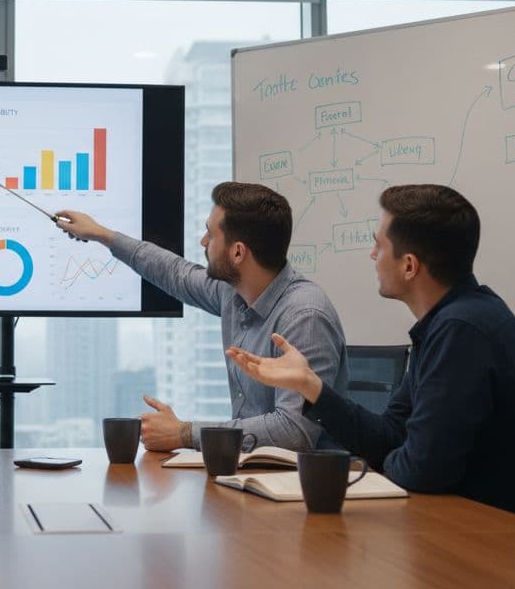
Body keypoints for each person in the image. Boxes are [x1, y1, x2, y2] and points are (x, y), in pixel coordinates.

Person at [227, 184, 515, 521]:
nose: (373, 255)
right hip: (471, 525)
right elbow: (392, 435)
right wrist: (309, 386)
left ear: (409, 265)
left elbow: (422, 470)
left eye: (379, 245)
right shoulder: (450, 321)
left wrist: (387, 461)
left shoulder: (462, 330)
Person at [55, 182, 346, 452]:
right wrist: (101, 234)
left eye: (211, 234)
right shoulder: (235, 293)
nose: (203, 241)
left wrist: (184, 433)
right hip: (250, 473)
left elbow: (294, 432)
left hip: (301, 489)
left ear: (237, 253)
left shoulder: (305, 316)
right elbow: (175, 272)